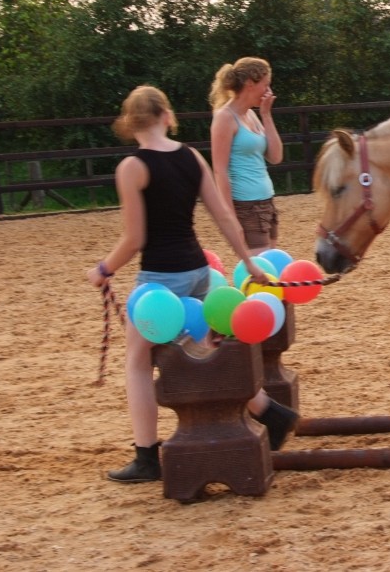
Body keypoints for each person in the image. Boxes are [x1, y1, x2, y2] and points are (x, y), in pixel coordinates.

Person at [86, 85, 297, 484]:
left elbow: (135, 238)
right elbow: (224, 216)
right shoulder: (190, 156)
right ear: (167, 117)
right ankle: (269, 411)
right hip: (198, 270)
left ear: (130, 123)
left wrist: (104, 269)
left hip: (161, 278)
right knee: (203, 350)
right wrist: (248, 261)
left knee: (137, 362)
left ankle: (146, 456)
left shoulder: (132, 167)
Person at [209, 57, 283, 255]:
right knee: (260, 268)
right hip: (246, 206)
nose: (269, 91)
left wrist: (266, 115)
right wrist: (230, 218)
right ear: (250, 83)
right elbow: (220, 171)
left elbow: (276, 157)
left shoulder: (251, 114)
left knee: (270, 265)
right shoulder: (225, 118)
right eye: (266, 85)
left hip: (266, 201)